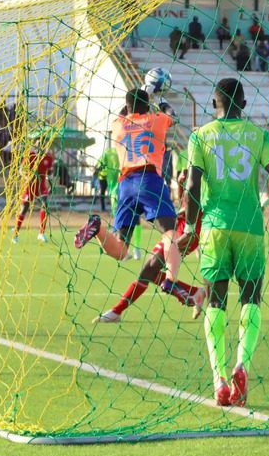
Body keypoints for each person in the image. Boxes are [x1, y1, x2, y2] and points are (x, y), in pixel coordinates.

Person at [180, 79, 269, 406]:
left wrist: (189, 227)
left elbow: (193, 184)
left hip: (214, 226)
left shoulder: (200, 136)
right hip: (251, 227)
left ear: (214, 102)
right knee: (251, 298)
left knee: (215, 301)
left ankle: (219, 378)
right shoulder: (260, 136)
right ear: (243, 102)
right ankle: (243, 363)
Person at [74, 88, 191, 304]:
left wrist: (142, 100)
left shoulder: (118, 125)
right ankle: (171, 279)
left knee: (120, 249)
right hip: (149, 179)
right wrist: (160, 100)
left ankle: (98, 227)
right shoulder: (157, 120)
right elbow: (172, 115)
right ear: (147, 107)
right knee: (170, 232)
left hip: (125, 184)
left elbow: (124, 113)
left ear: (127, 107)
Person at [93, 167, 205, 323]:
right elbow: (185, 202)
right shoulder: (194, 174)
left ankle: (116, 311)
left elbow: (195, 207)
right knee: (150, 271)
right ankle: (194, 293)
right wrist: (180, 185)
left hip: (186, 233)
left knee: (148, 270)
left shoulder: (206, 179)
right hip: (180, 229)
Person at [13, 145, 54, 244]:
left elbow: (51, 172)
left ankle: (41, 233)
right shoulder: (30, 155)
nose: (41, 144)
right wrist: (27, 177)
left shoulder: (48, 157)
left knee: (45, 205)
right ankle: (15, 234)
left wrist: (51, 183)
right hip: (30, 186)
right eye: (39, 141)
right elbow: (21, 170)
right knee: (24, 208)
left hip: (41, 187)